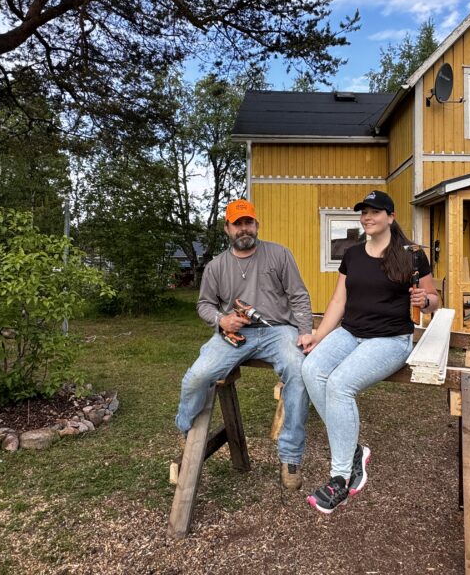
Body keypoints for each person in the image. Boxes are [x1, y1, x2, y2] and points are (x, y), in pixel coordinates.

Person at [300, 190, 440, 514]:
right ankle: (353, 452)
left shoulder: (412, 254)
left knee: (339, 385)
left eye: (375, 212)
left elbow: (434, 299)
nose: (367, 217)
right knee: (311, 369)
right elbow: (339, 301)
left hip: (390, 340)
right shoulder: (352, 254)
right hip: (350, 332)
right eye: (363, 212)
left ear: (390, 217)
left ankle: (339, 477)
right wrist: (318, 336)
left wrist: (425, 301)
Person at [175, 199, 313, 490]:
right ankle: (185, 428)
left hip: (278, 331)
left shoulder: (279, 254)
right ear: (227, 228)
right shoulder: (215, 267)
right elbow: (204, 305)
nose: (244, 229)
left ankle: (290, 457)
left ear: (256, 224)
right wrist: (221, 320)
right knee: (197, 376)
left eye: (248, 222)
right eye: (237, 224)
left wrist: (304, 331)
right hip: (236, 335)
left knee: (299, 372)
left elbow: (299, 296)